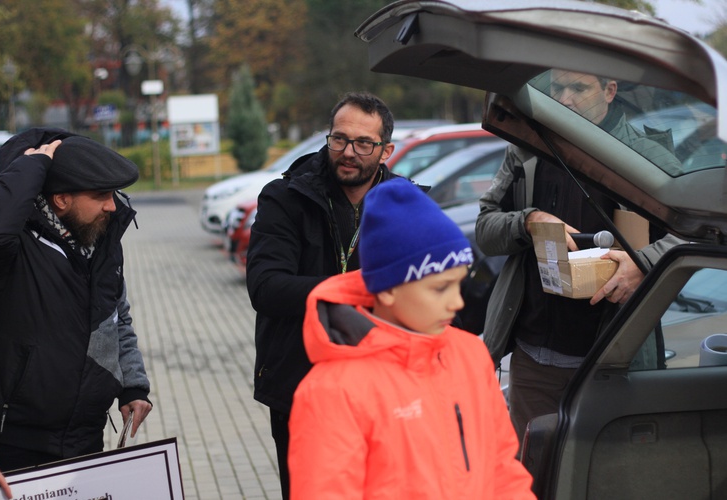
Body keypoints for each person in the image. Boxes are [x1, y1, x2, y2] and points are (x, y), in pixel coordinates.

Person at [287, 178, 535, 499]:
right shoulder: (333, 391)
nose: (457, 303)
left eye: (458, 285)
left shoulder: (470, 355)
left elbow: (503, 468)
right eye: (439, 288)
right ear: (388, 288)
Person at [476, 70, 682, 443]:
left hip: (612, 363)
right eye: (558, 88)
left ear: (610, 90)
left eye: (579, 88)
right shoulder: (527, 148)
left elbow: (692, 234)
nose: (566, 99)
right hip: (533, 359)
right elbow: (485, 230)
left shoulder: (647, 157)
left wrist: (644, 264)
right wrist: (528, 221)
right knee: (532, 477)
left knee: (602, 480)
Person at [246, 91, 397, 498]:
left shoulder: (406, 203)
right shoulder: (286, 197)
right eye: (339, 139)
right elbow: (265, 287)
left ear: (386, 151)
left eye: (364, 143)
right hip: (301, 384)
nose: (349, 152)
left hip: (382, 388)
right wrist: (360, 288)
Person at [0, 128, 152, 472]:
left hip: (85, 436)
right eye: (101, 194)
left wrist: (133, 384)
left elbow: (117, 318)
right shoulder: (13, 248)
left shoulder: (101, 239)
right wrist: (33, 163)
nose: (112, 205)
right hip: (13, 440)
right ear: (61, 199)